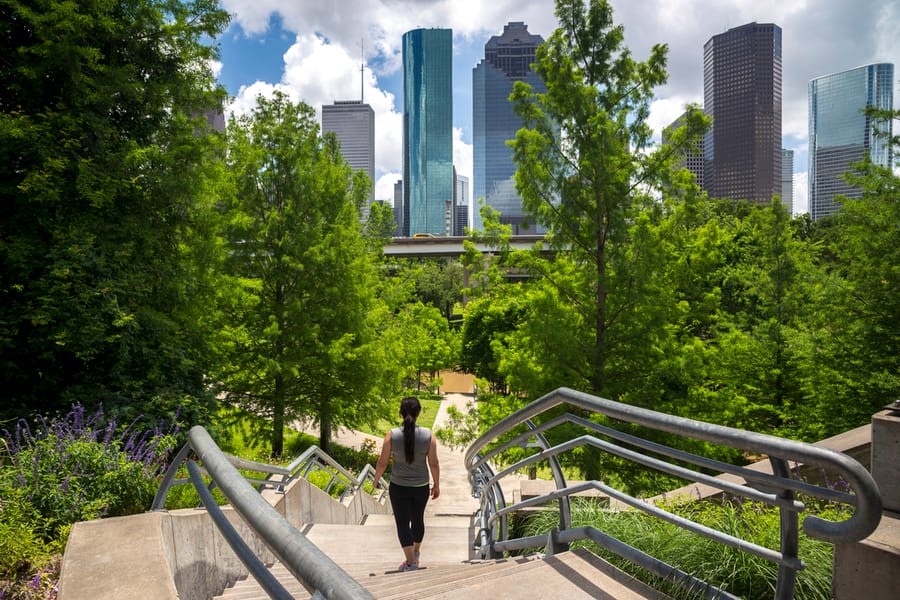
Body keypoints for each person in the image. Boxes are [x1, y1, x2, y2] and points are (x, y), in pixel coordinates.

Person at [372, 396, 440, 572]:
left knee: (402, 523)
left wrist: (376, 479)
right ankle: (415, 552)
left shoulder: (392, 435)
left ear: (401, 413)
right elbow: (433, 463)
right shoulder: (428, 435)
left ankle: (410, 563)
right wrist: (436, 484)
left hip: (399, 487)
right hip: (421, 487)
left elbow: (382, 462)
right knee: (418, 519)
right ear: (419, 413)